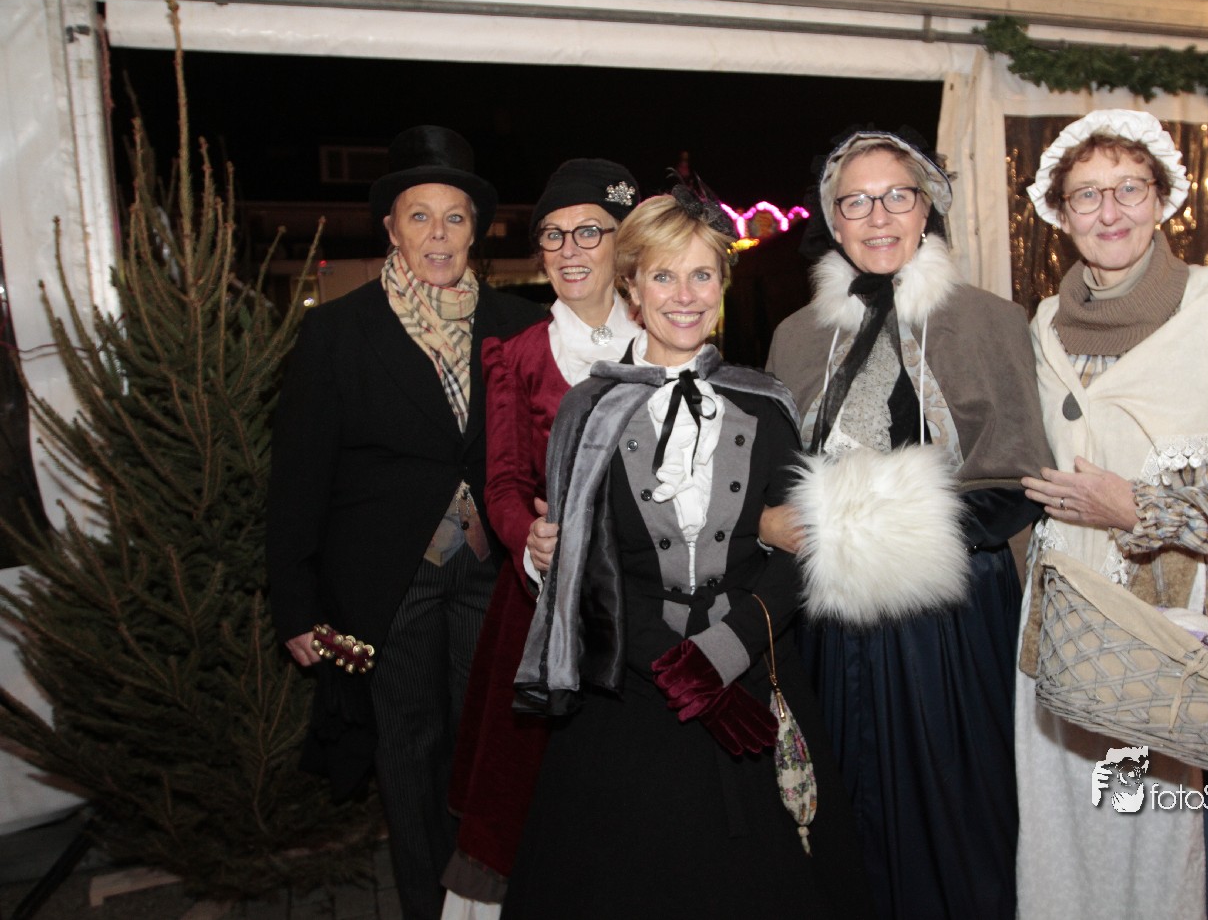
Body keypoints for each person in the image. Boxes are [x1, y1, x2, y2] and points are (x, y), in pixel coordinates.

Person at [503, 191, 875, 919]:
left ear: (722, 285)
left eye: (702, 275)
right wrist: (676, 666)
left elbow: (802, 550)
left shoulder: (766, 403)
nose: (685, 295)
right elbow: (586, 568)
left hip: (753, 670)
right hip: (632, 689)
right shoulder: (586, 410)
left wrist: (724, 652)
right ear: (632, 289)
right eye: (664, 276)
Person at [1016, 109, 1208, 920]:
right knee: (1068, 836)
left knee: (1156, 842)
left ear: (1162, 197)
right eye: (1087, 195)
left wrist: (1135, 507)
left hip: (1174, 642)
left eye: (1129, 188)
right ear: (1059, 212)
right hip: (1065, 631)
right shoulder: (1045, 323)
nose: (1109, 212)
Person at [763, 127, 1053, 920]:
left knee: (959, 809)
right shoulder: (795, 335)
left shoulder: (991, 320)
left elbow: (1021, 476)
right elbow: (780, 471)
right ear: (833, 218)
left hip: (952, 617)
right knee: (847, 800)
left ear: (929, 207)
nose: (879, 216)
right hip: (832, 622)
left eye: (898, 195)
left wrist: (888, 525)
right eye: (856, 201)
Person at [266, 125, 545, 920]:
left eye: (455, 217)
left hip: (495, 578)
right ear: (391, 227)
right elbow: (298, 481)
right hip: (390, 584)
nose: (438, 234)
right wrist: (296, 605)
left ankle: (490, 900)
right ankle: (429, 907)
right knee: (409, 750)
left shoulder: (519, 324)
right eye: (420, 216)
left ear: (476, 229)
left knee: (487, 749)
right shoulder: (336, 332)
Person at [440, 158, 642, 918]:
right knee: (532, 799)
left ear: (623, 242)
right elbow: (500, 484)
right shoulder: (518, 354)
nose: (568, 249)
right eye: (552, 235)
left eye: (588, 230)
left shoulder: (666, 337)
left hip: (648, 604)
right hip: (543, 609)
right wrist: (530, 539)